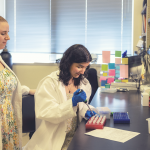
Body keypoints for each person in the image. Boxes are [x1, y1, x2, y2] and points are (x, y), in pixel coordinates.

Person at [23, 44, 98, 150]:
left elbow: (79, 108)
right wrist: (71, 102)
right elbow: (46, 112)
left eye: (85, 67)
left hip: (75, 137)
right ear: (68, 63)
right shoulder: (49, 83)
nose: (83, 72)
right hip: (54, 139)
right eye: (79, 66)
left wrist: (85, 111)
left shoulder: (84, 83)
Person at [0, 16, 36, 149]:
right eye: (3, 33)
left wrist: (28, 90)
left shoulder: (1, 60)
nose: (8, 37)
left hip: (8, 122)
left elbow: (6, 86)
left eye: (8, 33)